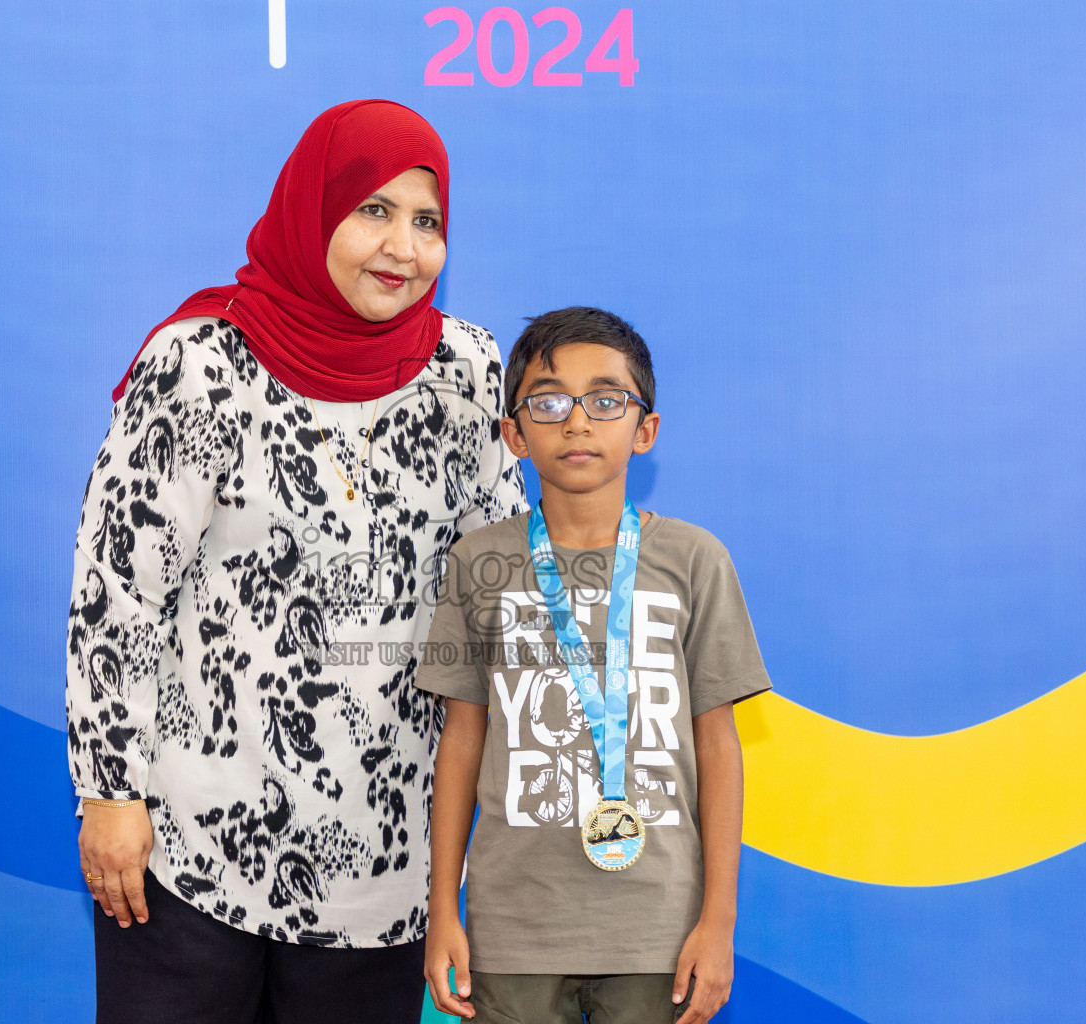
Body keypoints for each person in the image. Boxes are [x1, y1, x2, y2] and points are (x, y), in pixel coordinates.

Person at [65, 99, 526, 1024]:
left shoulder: (466, 369)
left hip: (387, 860)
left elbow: (500, 579)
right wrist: (111, 793)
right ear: (313, 210)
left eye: (427, 222)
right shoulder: (201, 363)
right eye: (373, 210)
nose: (402, 247)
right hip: (193, 852)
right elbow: (117, 594)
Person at [416, 307, 773, 1023]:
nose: (576, 421)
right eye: (548, 401)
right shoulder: (479, 561)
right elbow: (460, 741)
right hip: (512, 929)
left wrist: (718, 923)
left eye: (606, 400)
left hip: (658, 933)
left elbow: (719, 747)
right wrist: (441, 910)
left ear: (645, 429)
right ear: (514, 432)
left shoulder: (694, 561)